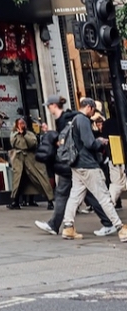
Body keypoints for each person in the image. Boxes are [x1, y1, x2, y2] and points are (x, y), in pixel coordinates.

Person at [38, 96, 115, 235]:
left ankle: (63, 225)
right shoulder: (77, 118)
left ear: (53, 105)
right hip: (79, 163)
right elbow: (86, 141)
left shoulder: (72, 118)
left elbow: (82, 141)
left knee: (74, 195)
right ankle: (112, 224)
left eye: (49, 106)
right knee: (86, 195)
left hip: (75, 163)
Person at [58, 97, 127, 241]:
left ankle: (68, 227)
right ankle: (120, 228)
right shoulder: (83, 120)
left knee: (75, 196)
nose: (94, 113)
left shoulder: (74, 120)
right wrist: (100, 142)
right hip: (88, 165)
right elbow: (90, 143)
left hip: (77, 165)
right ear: (88, 107)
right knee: (104, 197)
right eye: (94, 109)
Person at [8, 115, 53, 208]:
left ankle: (50, 200)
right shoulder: (14, 134)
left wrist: (24, 134)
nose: (21, 125)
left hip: (31, 159)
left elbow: (33, 143)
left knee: (40, 179)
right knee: (18, 181)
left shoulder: (29, 134)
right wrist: (19, 134)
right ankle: (15, 201)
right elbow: (13, 143)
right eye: (19, 124)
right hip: (19, 160)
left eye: (22, 123)